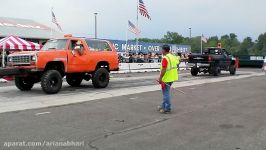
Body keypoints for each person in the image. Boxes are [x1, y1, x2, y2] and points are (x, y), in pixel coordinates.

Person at [157, 45, 180, 114]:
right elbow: (178, 61)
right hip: (172, 77)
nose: (161, 51)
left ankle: (167, 109)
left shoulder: (165, 58)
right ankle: (163, 106)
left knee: (166, 94)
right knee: (166, 93)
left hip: (166, 78)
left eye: (161, 49)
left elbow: (164, 69)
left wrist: (160, 78)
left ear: (164, 50)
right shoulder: (173, 57)